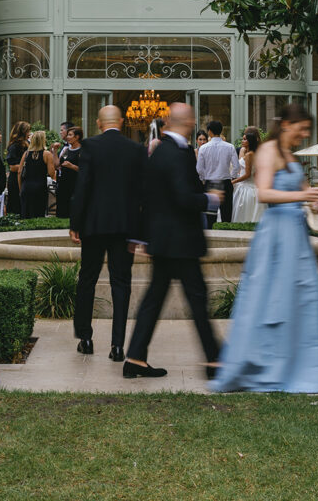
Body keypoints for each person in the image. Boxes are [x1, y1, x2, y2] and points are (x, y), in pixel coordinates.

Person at [210, 103, 318, 394]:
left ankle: (300, 361)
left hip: (295, 233)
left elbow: (299, 192)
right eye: (301, 130)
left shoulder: (288, 155)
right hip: (276, 233)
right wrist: (302, 193)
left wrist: (315, 201)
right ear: (287, 125)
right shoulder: (268, 152)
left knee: (301, 297)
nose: (303, 136)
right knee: (272, 298)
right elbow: (264, 193)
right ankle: (267, 364)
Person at [124, 103, 223, 380]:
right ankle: (214, 361)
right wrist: (211, 199)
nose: (194, 122)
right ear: (187, 121)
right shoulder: (177, 153)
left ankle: (135, 358)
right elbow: (181, 196)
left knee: (155, 299)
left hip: (165, 240)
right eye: (192, 117)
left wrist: (143, 236)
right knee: (197, 299)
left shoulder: (161, 151)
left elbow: (147, 196)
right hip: (180, 241)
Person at [70, 105, 146, 361]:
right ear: (122, 122)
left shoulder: (90, 146)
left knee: (87, 279)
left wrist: (75, 223)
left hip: (94, 225)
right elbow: (141, 194)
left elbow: (83, 187)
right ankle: (117, 346)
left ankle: (86, 338)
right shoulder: (136, 149)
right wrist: (138, 232)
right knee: (121, 283)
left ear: (98, 123)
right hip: (124, 228)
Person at [196, 120, 239, 226]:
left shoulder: (203, 148)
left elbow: (199, 168)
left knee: (209, 218)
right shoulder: (230, 147)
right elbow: (236, 166)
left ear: (209, 132)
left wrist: (203, 179)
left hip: (210, 183)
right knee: (226, 218)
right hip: (225, 183)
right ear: (221, 131)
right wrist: (232, 178)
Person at [19, 131, 54, 219]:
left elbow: (19, 172)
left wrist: (20, 188)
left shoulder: (26, 154)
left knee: (25, 214)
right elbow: (51, 173)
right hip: (40, 187)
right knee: (38, 214)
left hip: (26, 187)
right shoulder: (47, 154)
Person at [231, 127, 262, 223]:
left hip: (247, 187)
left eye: (245, 139)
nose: (242, 140)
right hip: (248, 186)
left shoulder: (249, 155)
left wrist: (233, 181)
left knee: (243, 214)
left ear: (250, 141)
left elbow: (248, 174)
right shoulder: (250, 153)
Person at [55, 126, 83, 218]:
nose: (67, 137)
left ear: (77, 137)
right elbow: (57, 164)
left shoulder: (82, 150)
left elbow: (85, 169)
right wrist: (55, 151)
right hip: (63, 182)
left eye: (70, 135)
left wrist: (72, 166)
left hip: (75, 183)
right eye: (68, 135)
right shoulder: (66, 149)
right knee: (62, 209)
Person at [6, 121, 30, 216]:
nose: (29, 134)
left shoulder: (27, 144)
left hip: (24, 179)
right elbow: (12, 167)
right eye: (28, 131)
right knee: (16, 204)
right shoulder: (14, 146)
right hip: (16, 180)